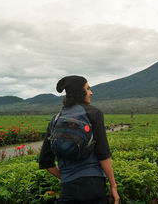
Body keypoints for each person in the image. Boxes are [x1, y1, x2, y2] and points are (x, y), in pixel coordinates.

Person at [39, 75, 120, 204]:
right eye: (88, 89)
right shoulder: (94, 113)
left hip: (68, 189)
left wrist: (68, 178)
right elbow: (103, 154)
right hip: (94, 185)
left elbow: (45, 162)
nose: (91, 92)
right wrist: (113, 186)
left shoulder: (55, 120)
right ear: (80, 92)